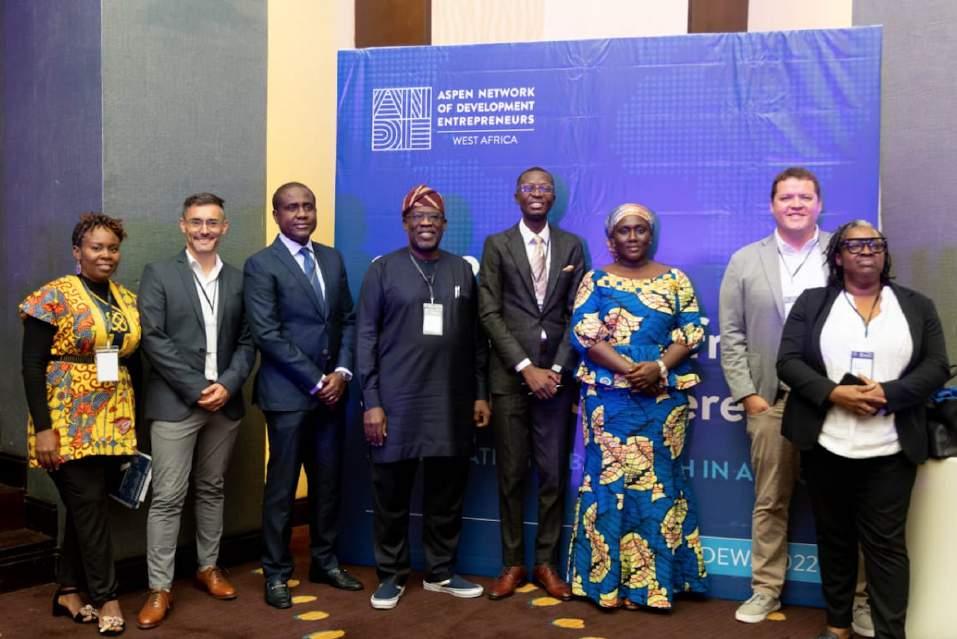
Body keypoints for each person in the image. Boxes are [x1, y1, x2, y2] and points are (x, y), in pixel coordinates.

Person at [719, 167, 874, 633]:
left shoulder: (842, 255)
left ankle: (858, 600)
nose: (796, 204)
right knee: (771, 500)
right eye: (787, 197)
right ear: (772, 205)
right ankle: (766, 589)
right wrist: (748, 394)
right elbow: (731, 335)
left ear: (819, 205)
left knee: (846, 503)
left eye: (805, 197)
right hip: (773, 400)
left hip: (836, 399)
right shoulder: (745, 261)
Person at [777, 220, 950, 639]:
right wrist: (835, 393)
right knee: (834, 539)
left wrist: (889, 393)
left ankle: (890, 633)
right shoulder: (813, 303)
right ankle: (837, 626)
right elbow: (788, 362)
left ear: (885, 253)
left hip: (890, 447)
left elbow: (936, 366)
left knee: (886, 547)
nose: (867, 250)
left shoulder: (917, 306)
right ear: (838, 257)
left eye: (875, 243)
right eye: (855, 245)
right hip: (827, 444)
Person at [566, 203, 708, 609]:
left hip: (663, 398)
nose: (632, 236)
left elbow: (691, 332)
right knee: (608, 481)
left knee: (658, 483)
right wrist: (631, 371)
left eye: (640, 229)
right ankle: (607, 585)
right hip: (608, 397)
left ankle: (652, 587)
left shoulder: (676, 279)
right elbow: (585, 333)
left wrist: (658, 368)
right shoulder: (595, 279)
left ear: (651, 235)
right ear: (611, 238)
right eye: (624, 230)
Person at [356, 185, 491, 610]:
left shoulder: (461, 271)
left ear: (444, 225)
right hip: (395, 401)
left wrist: (480, 394)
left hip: (450, 402)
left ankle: (441, 572)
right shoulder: (383, 270)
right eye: (418, 216)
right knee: (391, 495)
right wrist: (372, 401)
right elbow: (365, 337)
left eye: (433, 217)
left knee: (446, 494)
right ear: (405, 223)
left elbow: (477, 340)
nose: (426, 223)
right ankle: (391, 575)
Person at [135, 193, 256, 628]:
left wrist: (227, 384)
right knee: (168, 497)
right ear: (183, 226)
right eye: (196, 222)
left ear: (225, 228)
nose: (204, 229)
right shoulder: (159, 274)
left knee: (212, 488)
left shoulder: (240, 280)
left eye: (212, 222)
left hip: (225, 402)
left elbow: (248, 340)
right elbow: (153, 338)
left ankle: (208, 567)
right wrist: (197, 387)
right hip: (175, 402)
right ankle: (159, 587)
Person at [20, 213, 141, 636]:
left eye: (113, 248)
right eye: (96, 247)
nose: (106, 255)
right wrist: (44, 429)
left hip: (113, 420)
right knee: (88, 502)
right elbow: (32, 365)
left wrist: (136, 425)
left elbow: (133, 362)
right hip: (65, 420)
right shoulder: (53, 295)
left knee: (86, 505)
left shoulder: (126, 299)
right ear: (78, 251)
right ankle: (107, 596)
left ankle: (69, 590)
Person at [244, 182, 362, 609]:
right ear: (276, 215)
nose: (301, 214)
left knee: (328, 484)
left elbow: (348, 320)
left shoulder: (331, 258)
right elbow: (267, 334)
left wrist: (342, 373)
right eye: (291, 208)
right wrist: (317, 380)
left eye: (307, 206)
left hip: (333, 393)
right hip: (288, 395)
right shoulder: (261, 265)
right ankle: (276, 573)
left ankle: (324, 562)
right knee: (282, 488)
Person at [479, 167, 586, 600]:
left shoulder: (572, 245)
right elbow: (489, 312)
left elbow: (579, 313)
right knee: (510, 475)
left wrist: (557, 369)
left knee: (553, 476)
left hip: (556, 382)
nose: (537, 193)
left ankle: (546, 564)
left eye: (544, 188)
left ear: (553, 197)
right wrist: (525, 366)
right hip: (511, 377)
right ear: (517, 195)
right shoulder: (497, 245)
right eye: (529, 187)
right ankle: (512, 563)